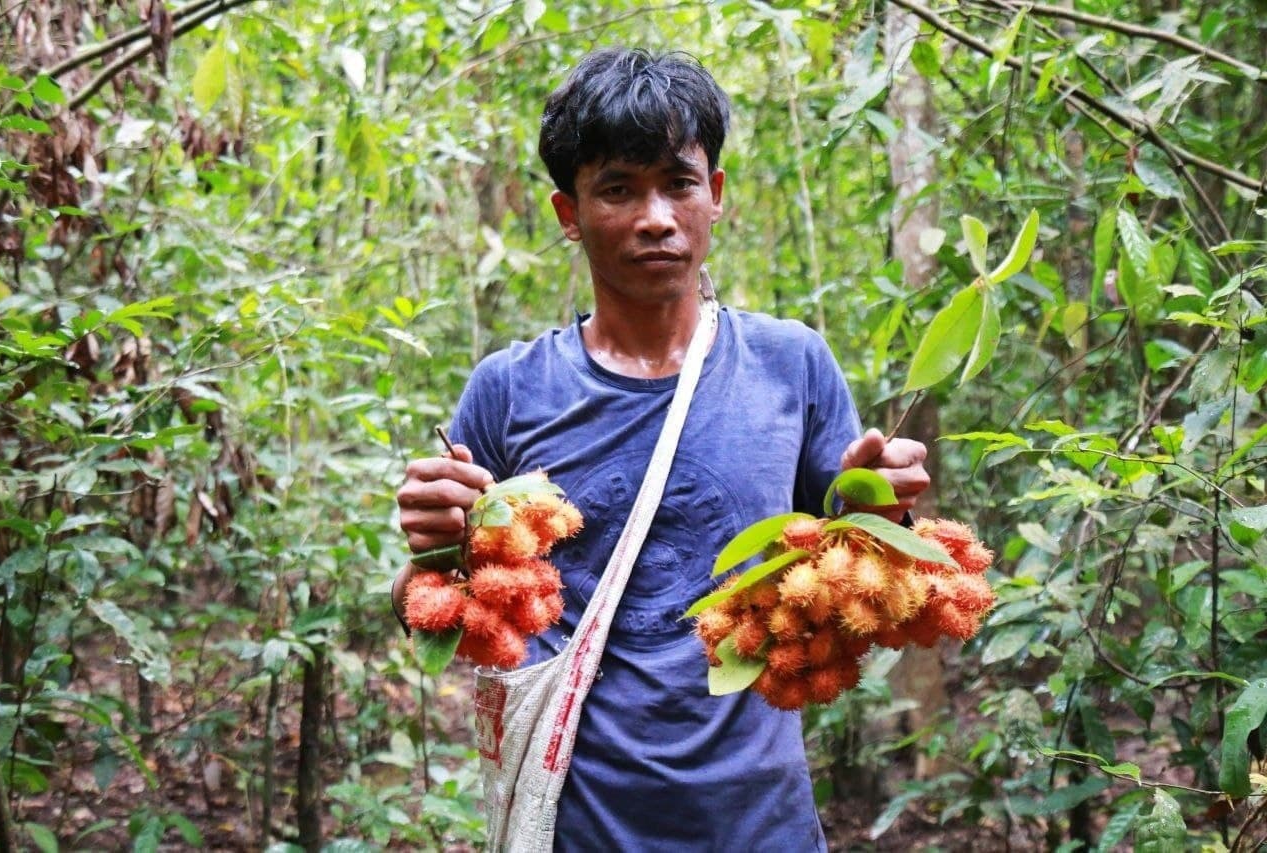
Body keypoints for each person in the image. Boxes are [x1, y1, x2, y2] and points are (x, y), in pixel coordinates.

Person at [393, 47, 930, 850]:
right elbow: (427, 612)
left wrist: (883, 515)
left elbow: (864, 601)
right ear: (567, 213)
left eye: (678, 183)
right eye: (617, 188)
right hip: (575, 822)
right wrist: (436, 554)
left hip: (763, 823)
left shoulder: (792, 365)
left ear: (713, 197)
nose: (655, 215)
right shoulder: (509, 390)